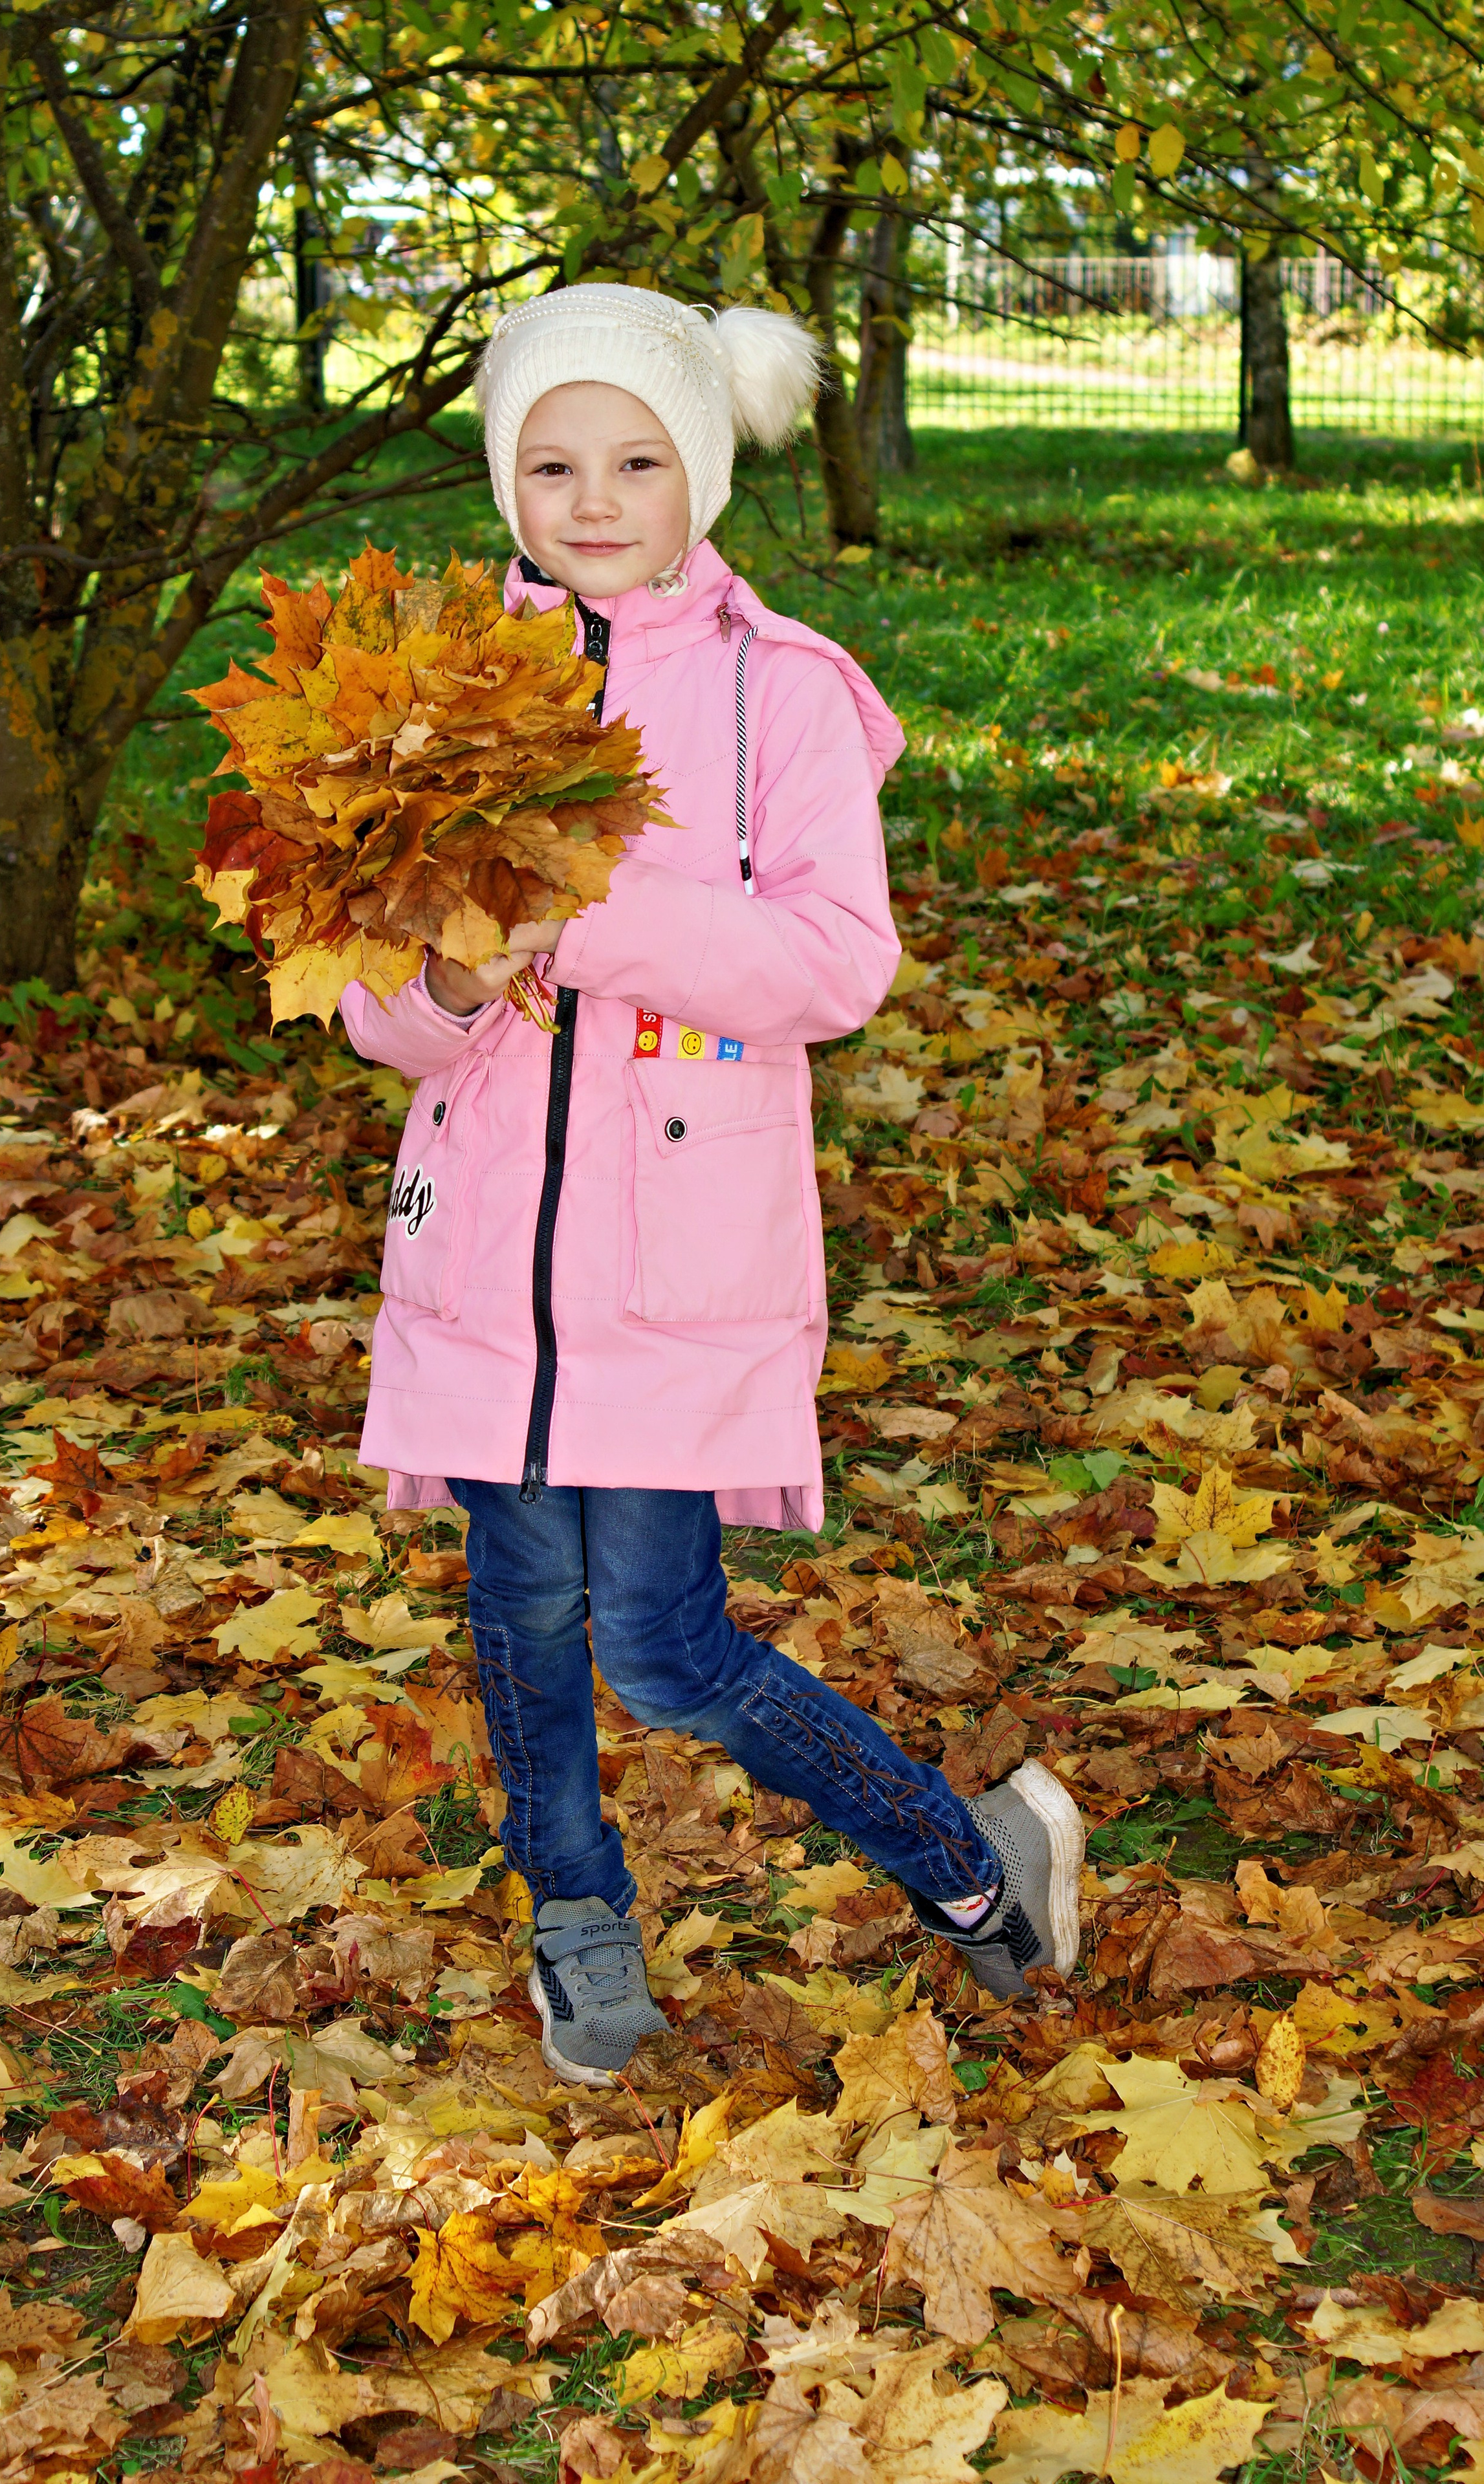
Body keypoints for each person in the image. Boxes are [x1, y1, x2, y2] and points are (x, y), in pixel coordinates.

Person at [340, 283, 1083, 2087]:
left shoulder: (785, 695)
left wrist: (598, 915)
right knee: (518, 1616)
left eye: (639, 459)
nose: (594, 499)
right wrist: (440, 983)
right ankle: (574, 1911)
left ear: (706, 478)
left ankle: (969, 1865)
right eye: (552, 460)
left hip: (678, 1258)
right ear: (506, 479)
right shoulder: (439, 697)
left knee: (665, 1648)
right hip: (492, 1259)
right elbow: (376, 1006)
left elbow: (836, 963)